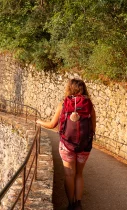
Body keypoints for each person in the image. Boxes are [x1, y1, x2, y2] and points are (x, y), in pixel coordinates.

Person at [36, 78, 96, 210]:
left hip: (67, 145)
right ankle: (78, 204)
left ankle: (71, 204)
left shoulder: (63, 104)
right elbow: (93, 129)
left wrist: (39, 122)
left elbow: (52, 125)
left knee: (69, 174)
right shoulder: (89, 104)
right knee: (79, 174)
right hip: (84, 146)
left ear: (69, 89)